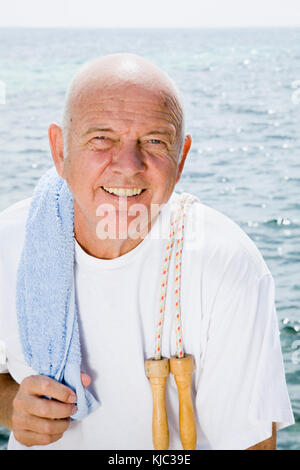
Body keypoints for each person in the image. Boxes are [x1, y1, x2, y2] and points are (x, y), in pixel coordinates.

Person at [0, 53, 294, 450]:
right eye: (101, 138)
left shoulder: (226, 264)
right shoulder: (10, 242)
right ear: (60, 150)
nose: (128, 165)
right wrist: (11, 405)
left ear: (181, 158)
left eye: (155, 141)